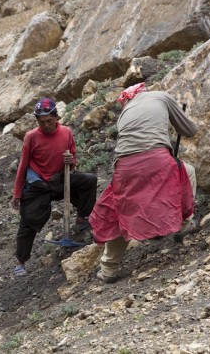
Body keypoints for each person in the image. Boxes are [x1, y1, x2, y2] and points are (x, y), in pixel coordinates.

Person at [89, 82, 199, 283]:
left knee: (120, 211)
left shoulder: (125, 113)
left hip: (124, 167)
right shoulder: (162, 97)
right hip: (156, 159)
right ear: (144, 91)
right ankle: (185, 225)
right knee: (187, 172)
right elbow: (189, 130)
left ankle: (108, 270)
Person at [11, 97, 98, 277]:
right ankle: (21, 261)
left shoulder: (66, 132)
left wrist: (71, 161)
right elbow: (23, 165)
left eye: (50, 121)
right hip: (38, 184)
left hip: (59, 179)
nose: (47, 125)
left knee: (88, 180)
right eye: (42, 122)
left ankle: (82, 219)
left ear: (56, 117)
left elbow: (73, 160)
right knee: (29, 221)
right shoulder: (31, 137)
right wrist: (17, 193)